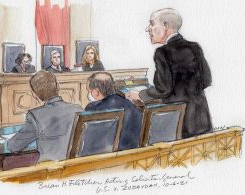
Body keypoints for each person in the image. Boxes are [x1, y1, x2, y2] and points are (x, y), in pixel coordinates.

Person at [126, 8, 213, 138]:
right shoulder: (195, 47)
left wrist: (140, 94)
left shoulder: (162, 52)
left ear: (166, 26)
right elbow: (207, 80)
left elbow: (164, 89)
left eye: (152, 23)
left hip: (178, 123)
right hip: (201, 121)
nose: (147, 28)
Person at [7, 70, 83, 162]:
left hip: (49, 170)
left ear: (35, 94)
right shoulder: (77, 109)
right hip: (74, 166)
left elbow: (13, 146)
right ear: (58, 86)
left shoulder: (34, 115)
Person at [85, 72, 142, 150]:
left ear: (96, 92)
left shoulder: (92, 108)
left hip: (107, 157)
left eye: (89, 91)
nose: (88, 94)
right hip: (133, 153)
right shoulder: (130, 104)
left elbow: (89, 140)